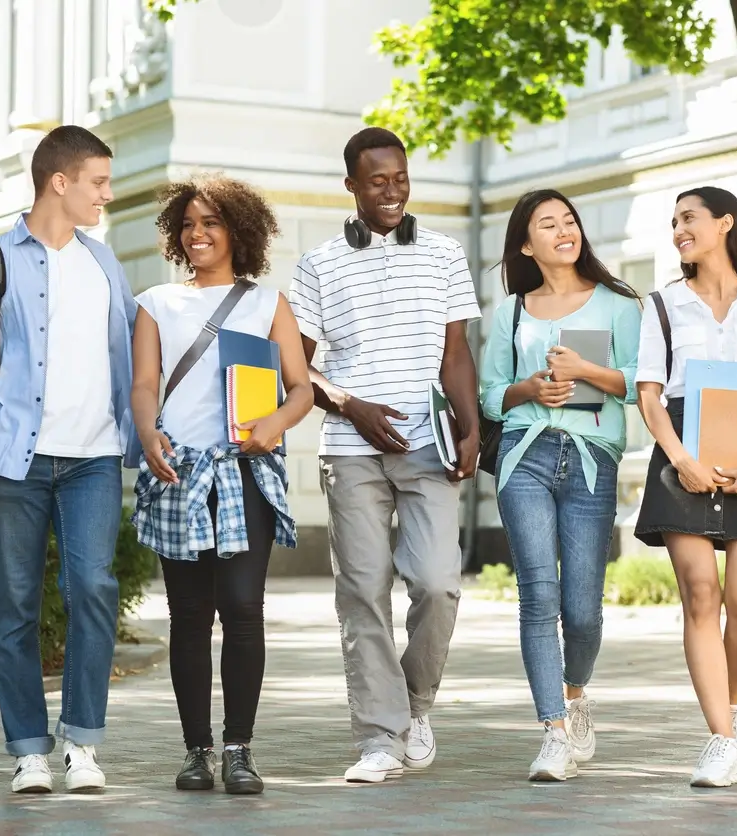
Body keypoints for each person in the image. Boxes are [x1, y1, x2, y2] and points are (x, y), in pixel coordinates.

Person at [0, 125, 141, 794]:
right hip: (13, 459)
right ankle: (27, 751)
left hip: (94, 457)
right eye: (98, 182)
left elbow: (133, 352)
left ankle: (83, 742)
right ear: (60, 182)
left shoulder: (105, 262)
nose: (107, 194)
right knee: (14, 605)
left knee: (93, 592)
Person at [288, 127, 482, 784]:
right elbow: (299, 371)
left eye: (400, 177)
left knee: (437, 583)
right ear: (352, 185)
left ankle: (413, 705)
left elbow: (455, 355)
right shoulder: (318, 264)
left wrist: (471, 428)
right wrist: (351, 406)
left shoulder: (445, 254)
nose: (393, 189)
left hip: (429, 444)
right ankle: (377, 737)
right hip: (351, 453)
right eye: (378, 180)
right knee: (362, 593)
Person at [130, 174, 312, 795]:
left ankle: (239, 749)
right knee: (187, 615)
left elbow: (302, 387)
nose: (197, 234)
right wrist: (148, 434)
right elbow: (145, 384)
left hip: (244, 472)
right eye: (187, 225)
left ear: (239, 230)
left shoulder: (266, 302)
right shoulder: (156, 301)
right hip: (180, 470)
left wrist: (275, 424)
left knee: (242, 609)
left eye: (210, 223)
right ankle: (195, 752)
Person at [633, 186, 737, 788]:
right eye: (673, 221)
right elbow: (649, 393)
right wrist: (680, 460)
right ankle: (721, 739)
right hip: (682, 456)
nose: (679, 229)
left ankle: (733, 705)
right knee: (702, 594)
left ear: (726, 222)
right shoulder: (663, 304)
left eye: (689, 218)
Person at [479, 190, 641, 781]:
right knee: (538, 596)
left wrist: (583, 372)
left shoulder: (619, 305)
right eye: (548, 224)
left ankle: (575, 697)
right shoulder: (512, 312)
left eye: (568, 220)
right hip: (526, 456)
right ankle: (551, 730)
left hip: (592, 458)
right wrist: (531, 388)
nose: (563, 230)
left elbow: (637, 384)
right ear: (527, 244)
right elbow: (488, 394)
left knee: (583, 611)